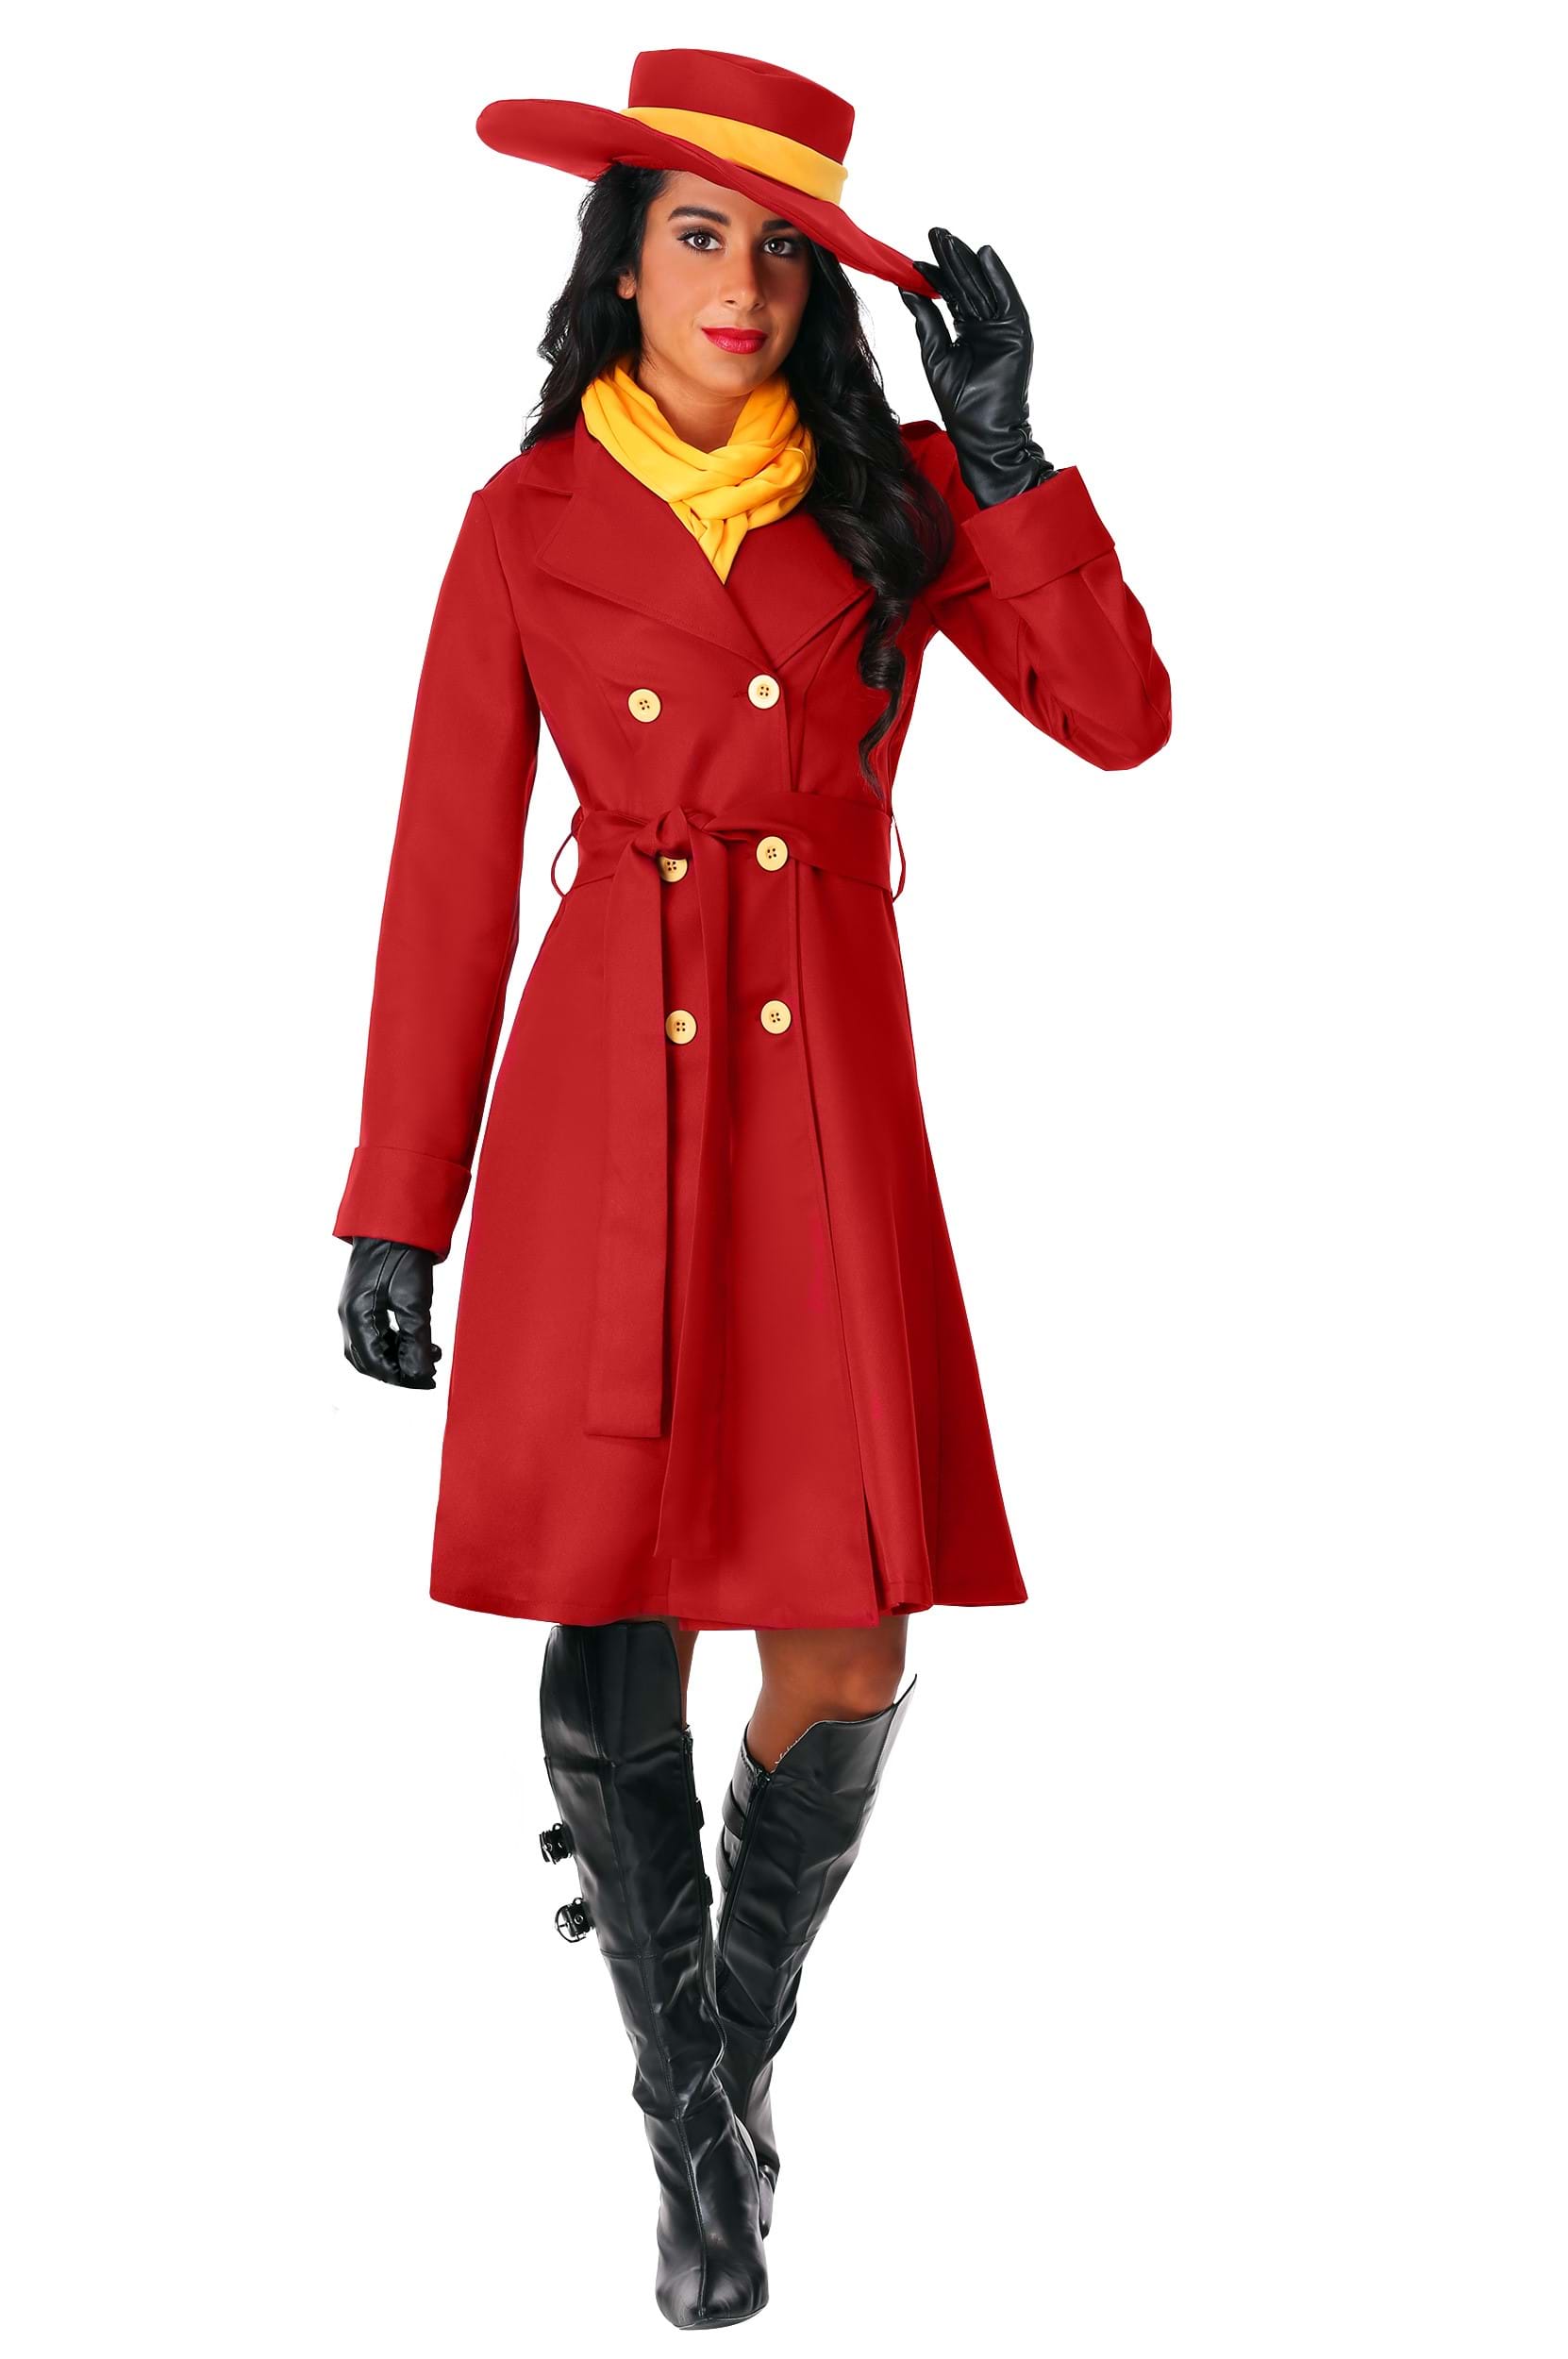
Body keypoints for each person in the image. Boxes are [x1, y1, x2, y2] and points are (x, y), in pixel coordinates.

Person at [334, 47, 1170, 2331]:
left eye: (784, 249)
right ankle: (693, 2123)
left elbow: (1117, 716)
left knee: (845, 1624)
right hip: (603, 1083)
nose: (742, 282)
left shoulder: (893, 499)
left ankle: (719, 2057)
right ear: (619, 259)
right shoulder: (522, 520)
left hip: (819, 1095)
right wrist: (399, 1197)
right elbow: (442, 877)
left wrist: (1007, 462)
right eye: (699, 234)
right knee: (614, 1596)